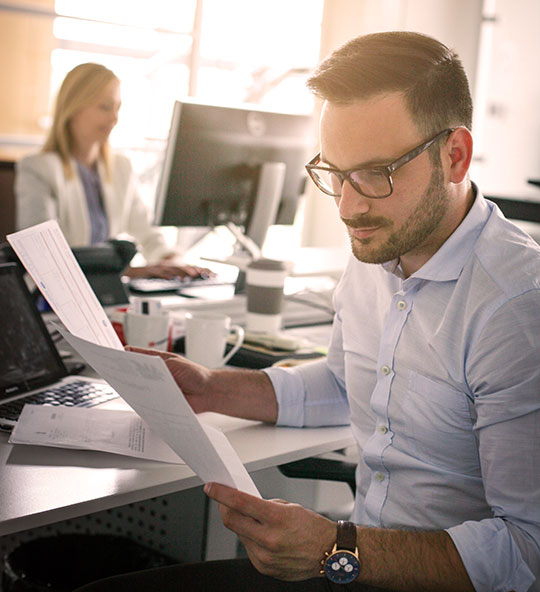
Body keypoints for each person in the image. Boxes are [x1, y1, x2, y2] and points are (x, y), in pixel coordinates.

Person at [76, 31, 540, 592]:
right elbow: (348, 386)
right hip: (358, 564)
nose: (348, 206)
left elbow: (527, 552)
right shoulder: (379, 242)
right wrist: (213, 387)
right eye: (334, 174)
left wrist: (335, 548)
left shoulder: (515, 308)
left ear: (455, 156)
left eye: (376, 173)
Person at [15, 62, 209, 280]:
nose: (114, 118)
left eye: (117, 108)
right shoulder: (38, 169)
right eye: (105, 107)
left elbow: (147, 232)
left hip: (109, 293)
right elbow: (43, 254)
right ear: (73, 108)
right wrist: (129, 272)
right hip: (60, 297)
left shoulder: (120, 168)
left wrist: (171, 261)